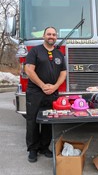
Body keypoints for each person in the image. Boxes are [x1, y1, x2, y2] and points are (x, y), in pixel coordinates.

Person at [25, 27, 67, 162]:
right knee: (33, 120)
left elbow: (63, 73)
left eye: (54, 34)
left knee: (49, 120)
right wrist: (42, 85)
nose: (51, 36)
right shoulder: (34, 51)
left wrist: (55, 87)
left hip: (52, 92)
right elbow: (29, 70)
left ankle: (44, 147)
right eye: (49, 34)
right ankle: (33, 149)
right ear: (43, 36)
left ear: (56, 37)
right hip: (35, 92)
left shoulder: (59, 54)